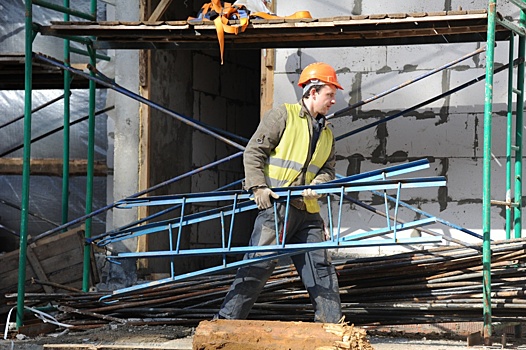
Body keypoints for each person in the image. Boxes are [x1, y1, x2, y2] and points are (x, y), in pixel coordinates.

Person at [216, 62, 343, 323]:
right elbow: (253, 152)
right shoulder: (282, 116)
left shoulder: (328, 133)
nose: (333, 100)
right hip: (278, 208)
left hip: (308, 212)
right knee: (258, 265)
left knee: (321, 270)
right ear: (313, 92)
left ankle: (332, 330)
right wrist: (258, 186)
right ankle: (225, 324)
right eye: (329, 94)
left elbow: (328, 170)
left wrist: (319, 183)